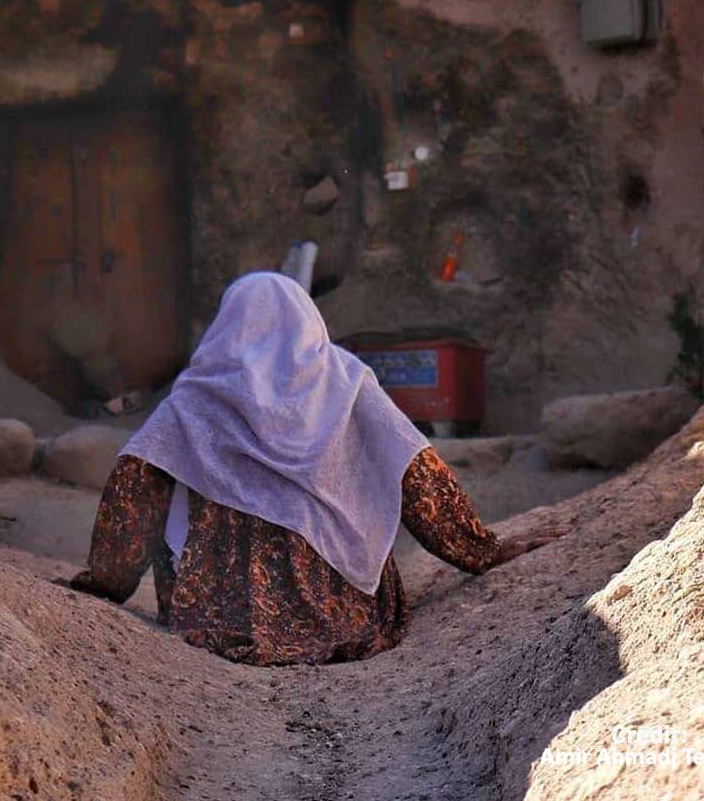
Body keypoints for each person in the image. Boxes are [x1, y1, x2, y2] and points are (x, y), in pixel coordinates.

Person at [68, 272, 564, 666]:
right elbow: (417, 473)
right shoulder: (346, 380)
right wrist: (480, 549)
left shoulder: (199, 394)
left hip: (221, 616)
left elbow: (134, 489)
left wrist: (104, 583)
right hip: (347, 612)